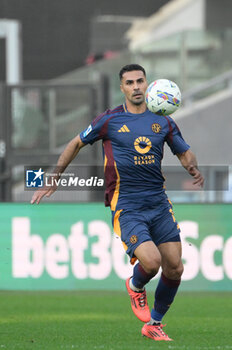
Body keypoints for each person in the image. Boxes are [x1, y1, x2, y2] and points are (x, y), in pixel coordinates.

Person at [31, 64, 204, 341]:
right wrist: (54, 177)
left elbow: (183, 151)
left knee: (175, 267)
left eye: (140, 81)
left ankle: (154, 324)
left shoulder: (164, 120)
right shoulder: (109, 120)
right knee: (151, 262)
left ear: (147, 84)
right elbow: (75, 143)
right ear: (122, 87)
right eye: (130, 83)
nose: (136, 87)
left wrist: (191, 167)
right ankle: (136, 285)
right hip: (126, 204)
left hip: (159, 203)